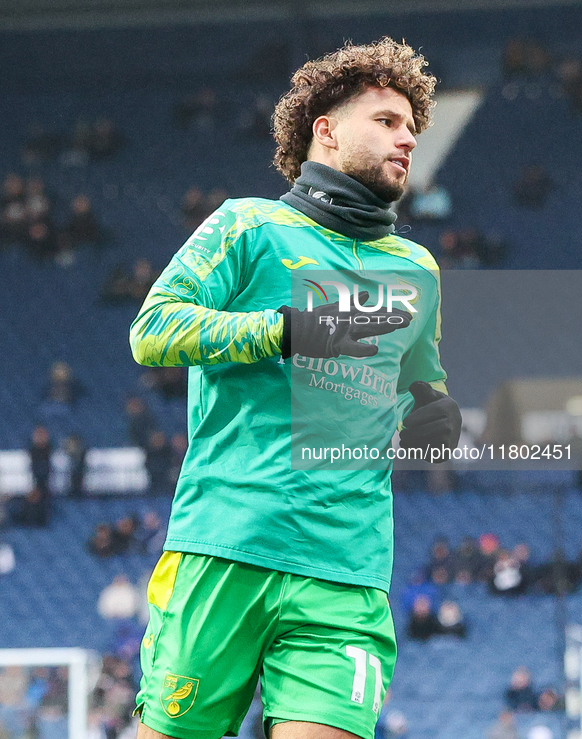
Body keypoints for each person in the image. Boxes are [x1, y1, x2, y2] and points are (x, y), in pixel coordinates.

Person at [129, 38, 461, 739]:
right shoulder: (247, 225)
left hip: (345, 570)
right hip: (225, 548)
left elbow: (420, 379)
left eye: (412, 127)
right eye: (387, 120)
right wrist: (281, 331)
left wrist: (434, 410)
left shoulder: (417, 269)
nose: (407, 138)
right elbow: (151, 329)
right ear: (326, 129)